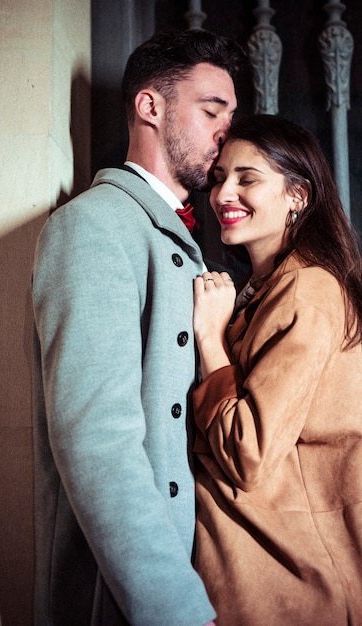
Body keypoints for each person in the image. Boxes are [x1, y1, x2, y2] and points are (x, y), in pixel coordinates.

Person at [31, 30, 241, 626]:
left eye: (231, 114)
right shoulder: (92, 227)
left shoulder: (189, 242)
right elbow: (99, 444)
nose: (227, 130)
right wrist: (176, 609)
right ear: (151, 107)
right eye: (211, 110)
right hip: (130, 600)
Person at [192, 113, 362, 626]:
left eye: (249, 179)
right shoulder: (266, 289)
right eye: (220, 177)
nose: (224, 193)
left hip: (289, 581)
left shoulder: (306, 290)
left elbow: (249, 453)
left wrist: (209, 339)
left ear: (297, 196)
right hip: (267, 569)